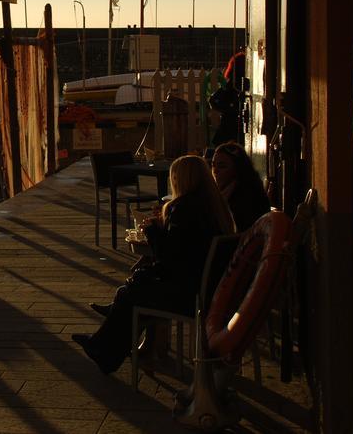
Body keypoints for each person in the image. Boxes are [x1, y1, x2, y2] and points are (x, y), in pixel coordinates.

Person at [73, 155, 236, 375]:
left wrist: (152, 230)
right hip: (210, 290)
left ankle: (106, 351)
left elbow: (168, 258)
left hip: (189, 295)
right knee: (131, 290)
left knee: (129, 294)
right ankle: (106, 350)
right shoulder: (215, 206)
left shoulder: (184, 208)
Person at [210, 141, 271, 232]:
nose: (215, 170)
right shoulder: (222, 191)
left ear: (237, 168)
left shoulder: (248, 196)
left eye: (222, 166)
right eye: (213, 165)